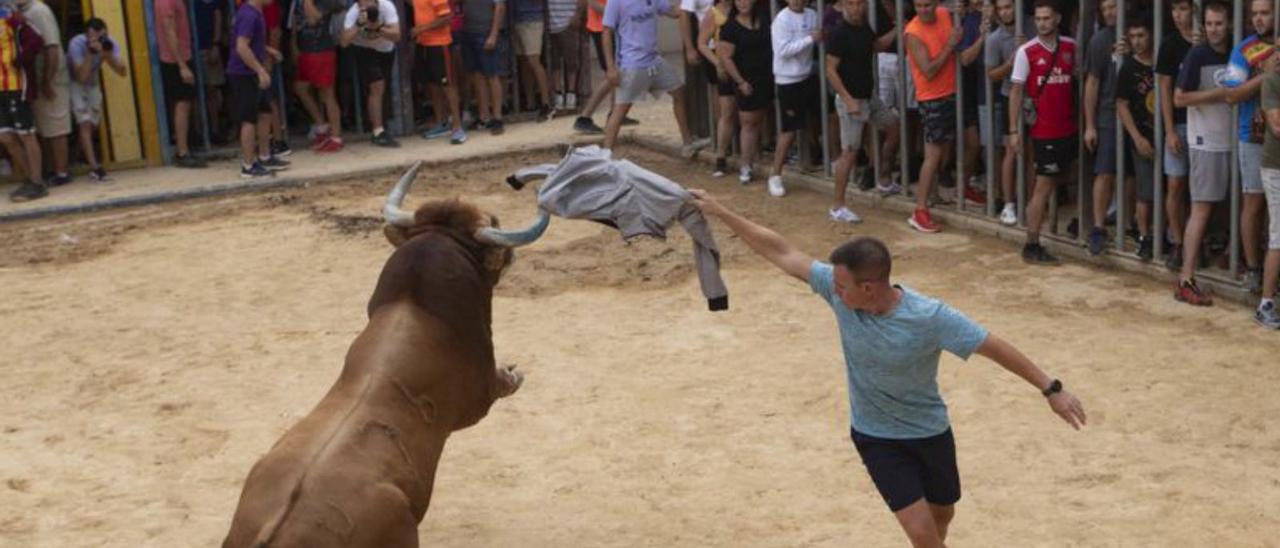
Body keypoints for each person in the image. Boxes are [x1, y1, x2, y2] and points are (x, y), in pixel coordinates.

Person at [688, 187, 1086, 548]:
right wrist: (721, 211)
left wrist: (1051, 389)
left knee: (941, 518)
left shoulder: (930, 317)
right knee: (923, 537)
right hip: (876, 436)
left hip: (930, 432)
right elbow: (783, 252)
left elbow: (992, 346)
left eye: (842, 288)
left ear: (869, 287)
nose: (834, 294)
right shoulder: (838, 289)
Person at [1172, 0, 1233, 306]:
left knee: (1222, 208)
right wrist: (1220, 94)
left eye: (1219, 24)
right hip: (1205, 141)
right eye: (1209, 24)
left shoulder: (1234, 50)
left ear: (1229, 24)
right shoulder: (1197, 54)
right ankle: (1185, 278)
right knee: (1201, 209)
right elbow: (1179, 98)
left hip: (1228, 141)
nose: (1214, 30)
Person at [1008, 0, 1077, 265]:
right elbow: (1016, 90)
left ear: (1057, 19)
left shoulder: (1071, 46)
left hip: (1067, 127)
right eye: (1038, 19)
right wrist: (1013, 130)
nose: (1042, 23)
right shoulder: (1027, 51)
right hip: (1043, 130)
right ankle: (1032, 243)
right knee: (1043, 187)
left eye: (1046, 18)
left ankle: (1037, 239)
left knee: (1055, 182)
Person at [599, 0, 709, 156]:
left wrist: (694, 5)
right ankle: (604, 156)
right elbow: (606, 31)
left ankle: (687, 143)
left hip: (653, 60)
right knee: (620, 110)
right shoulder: (616, 2)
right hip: (632, 63)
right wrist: (611, 67)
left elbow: (674, 11)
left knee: (679, 92)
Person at [1222, 0, 1277, 294]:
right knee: (1254, 204)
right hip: (1253, 138)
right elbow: (1231, 95)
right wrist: (1264, 76)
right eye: (1254, 13)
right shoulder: (1244, 49)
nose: (1258, 18)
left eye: (1264, 12)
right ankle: (1254, 268)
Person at [826, 0, 895, 223]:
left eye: (859, 3)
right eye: (852, 4)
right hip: (852, 101)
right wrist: (848, 101)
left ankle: (882, 178)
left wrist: (898, 28)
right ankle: (837, 206)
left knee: (894, 128)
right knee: (849, 152)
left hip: (868, 97)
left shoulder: (864, 27)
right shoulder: (838, 33)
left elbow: (877, 46)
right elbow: (831, 71)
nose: (856, 8)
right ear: (844, 5)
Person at [904, 0, 962, 234]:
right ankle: (919, 210)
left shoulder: (943, 13)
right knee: (933, 154)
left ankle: (930, 199)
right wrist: (950, 46)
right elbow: (928, 71)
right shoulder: (913, 32)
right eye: (919, 6)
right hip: (932, 97)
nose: (924, 10)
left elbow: (956, 9)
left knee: (940, 152)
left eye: (927, 4)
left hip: (948, 92)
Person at [1083, 0, 1129, 256]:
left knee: (1133, 174)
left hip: (1137, 110)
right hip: (1109, 112)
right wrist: (1090, 125)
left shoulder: (1137, 31)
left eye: (1115, 5)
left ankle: (1132, 225)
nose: (1111, 12)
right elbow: (1092, 83)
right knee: (1105, 170)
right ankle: (1099, 227)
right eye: (1106, 8)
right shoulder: (1100, 40)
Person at [765, 0, 820, 198]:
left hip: (807, 76)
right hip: (787, 81)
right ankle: (775, 175)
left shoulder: (812, 14)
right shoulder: (781, 19)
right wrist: (810, 39)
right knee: (788, 130)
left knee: (813, 120)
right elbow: (783, 51)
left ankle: (807, 161)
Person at [1155, 0, 1194, 271]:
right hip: (1179, 125)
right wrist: (1169, 130)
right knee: (1176, 185)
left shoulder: (1208, 39)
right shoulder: (1169, 44)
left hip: (1207, 124)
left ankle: (1197, 242)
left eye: (1183, 9)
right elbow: (1164, 90)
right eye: (1173, 10)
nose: (1178, 15)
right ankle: (1178, 243)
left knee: (1204, 192)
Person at [1114, 14, 1156, 260]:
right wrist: (1137, 137)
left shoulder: (1161, 61)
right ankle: (1144, 237)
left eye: (1141, 35)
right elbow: (1121, 104)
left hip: (1164, 134)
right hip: (1141, 136)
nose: (1138, 41)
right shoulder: (1128, 67)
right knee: (1144, 191)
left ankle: (1165, 234)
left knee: (1168, 190)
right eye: (1133, 36)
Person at [230, 0, 287, 178]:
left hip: (250, 71)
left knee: (265, 112)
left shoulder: (253, 13)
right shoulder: (249, 14)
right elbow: (241, 46)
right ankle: (248, 165)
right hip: (244, 73)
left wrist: (268, 50)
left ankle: (264, 155)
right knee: (249, 119)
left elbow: (250, 41)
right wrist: (260, 70)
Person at [717, 0, 772, 183]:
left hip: (766, 77)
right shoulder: (730, 27)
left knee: (760, 119)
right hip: (746, 80)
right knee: (748, 122)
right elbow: (726, 57)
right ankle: (746, 165)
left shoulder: (765, 19)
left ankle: (756, 157)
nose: (742, 3)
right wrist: (740, 82)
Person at [66, 18, 127, 183]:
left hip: (92, 82)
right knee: (84, 123)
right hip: (74, 81)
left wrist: (107, 54)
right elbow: (80, 76)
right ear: (86, 36)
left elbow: (122, 72)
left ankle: (77, 157)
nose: (100, 41)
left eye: (102, 36)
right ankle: (95, 168)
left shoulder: (109, 43)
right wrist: (90, 52)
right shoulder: (77, 44)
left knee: (92, 124)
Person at [18, 0, 71, 187]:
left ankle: (61, 172)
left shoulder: (38, 11)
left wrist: (48, 80)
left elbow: (52, 48)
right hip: (38, 79)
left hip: (50, 78)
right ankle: (53, 171)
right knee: (44, 127)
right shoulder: (23, 12)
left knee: (56, 127)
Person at [340, 0, 403, 147]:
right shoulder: (353, 12)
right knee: (377, 86)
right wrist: (359, 24)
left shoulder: (386, 6)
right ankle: (378, 130)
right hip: (364, 49)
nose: (366, 8)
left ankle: (380, 125)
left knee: (381, 89)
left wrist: (378, 27)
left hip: (385, 49)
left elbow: (397, 34)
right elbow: (344, 41)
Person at [983, 0, 1024, 225]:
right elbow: (991, 74)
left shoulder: (1031, 26)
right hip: (1010, 97)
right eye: (1002, 8)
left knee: (1030, 154)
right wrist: (1012, 61)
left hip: (1036, 97)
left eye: (1009, 6)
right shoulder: (995, 39)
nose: (1006, 11)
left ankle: (1025, 200)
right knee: (1010, 150)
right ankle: (1008, 203)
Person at [289, 0, 346, 153]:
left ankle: (335, 136)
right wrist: (294, 45)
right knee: (300, 88)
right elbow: (295, 22)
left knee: (327, 93)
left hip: (322, 49)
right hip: (306, 49)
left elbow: (313, 18)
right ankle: (321, 126)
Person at [2, 5, 46, 202]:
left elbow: (37, 40)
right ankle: (30, 179)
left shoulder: (12, 17)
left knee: (26, 134)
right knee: (6, 137)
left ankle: (36, 182)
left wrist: (19, 61)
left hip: (15, 85)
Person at [414, 0, 467, 144]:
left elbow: (447, 18)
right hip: (424, 44)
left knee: (448, 85)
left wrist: (422, 28)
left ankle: (457, 126)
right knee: (433, 85)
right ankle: (441, 123)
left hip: (440, 43)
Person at [696, 0, 736, 177]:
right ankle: (721, 156)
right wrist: (717, 63)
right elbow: (702, 43)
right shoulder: (713, 12)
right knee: (726, 111)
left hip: (744, 63)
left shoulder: (742, 7)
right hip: (724, 65)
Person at [458, 0, 508, 135]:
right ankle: (483, 116)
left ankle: (497, 117)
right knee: (477, 76)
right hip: (469, 31)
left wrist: (493, 35)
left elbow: (499, 7)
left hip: (485, 32)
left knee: (492, 75)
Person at [1256, 69, 1280, 327]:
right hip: (1276, 168)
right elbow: (1276, 126)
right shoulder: (1272, 80)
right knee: (1278, 236)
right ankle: (1266, 304)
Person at [512, 0, 555, 121]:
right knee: (524, 62)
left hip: (532, 19)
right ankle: (530, 102)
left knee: (534, 61)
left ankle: (546, 103)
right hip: (517, 19)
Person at [194, 0, 228, 144]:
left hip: (208, 48)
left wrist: (215, 44)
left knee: (212, 91)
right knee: (195, 94)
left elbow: (218, 17)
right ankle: (199, 132)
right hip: (195, 49)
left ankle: (214, 130)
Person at [547, 0, 584, 112]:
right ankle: (558, 93)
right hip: (551, 25)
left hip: (568, 22)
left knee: (571, 60)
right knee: (554, 62)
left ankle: (571, 93)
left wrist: (577, 15)